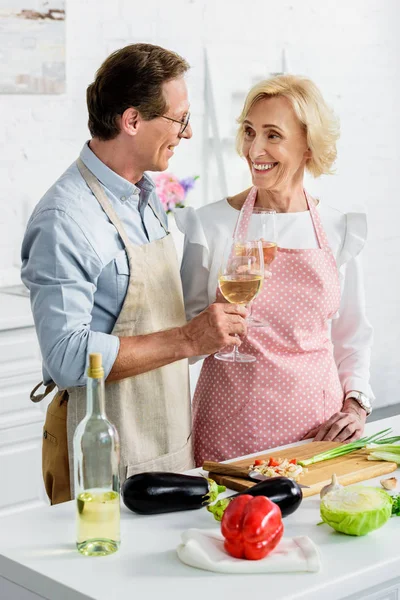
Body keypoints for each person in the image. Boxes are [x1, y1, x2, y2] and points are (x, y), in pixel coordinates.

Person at [21, 43, 247, 504]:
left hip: (163, 440)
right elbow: (66, 359)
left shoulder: (145, 196)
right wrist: (188, 338)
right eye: (179, 119)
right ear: (132, 121)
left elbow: (152, 313)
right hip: (99, 445)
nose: (186, 133)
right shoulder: (66, 218)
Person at [177, 74, 374, 467]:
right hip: (229, 429)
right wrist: (209, 331)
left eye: (272, 135)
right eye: (249, 132)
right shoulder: (212, 225)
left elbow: (352, 335)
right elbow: (183, 337)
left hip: (316, 434)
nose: (254, 149)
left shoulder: (340, 230)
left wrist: (356, 405)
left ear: (308, 145)